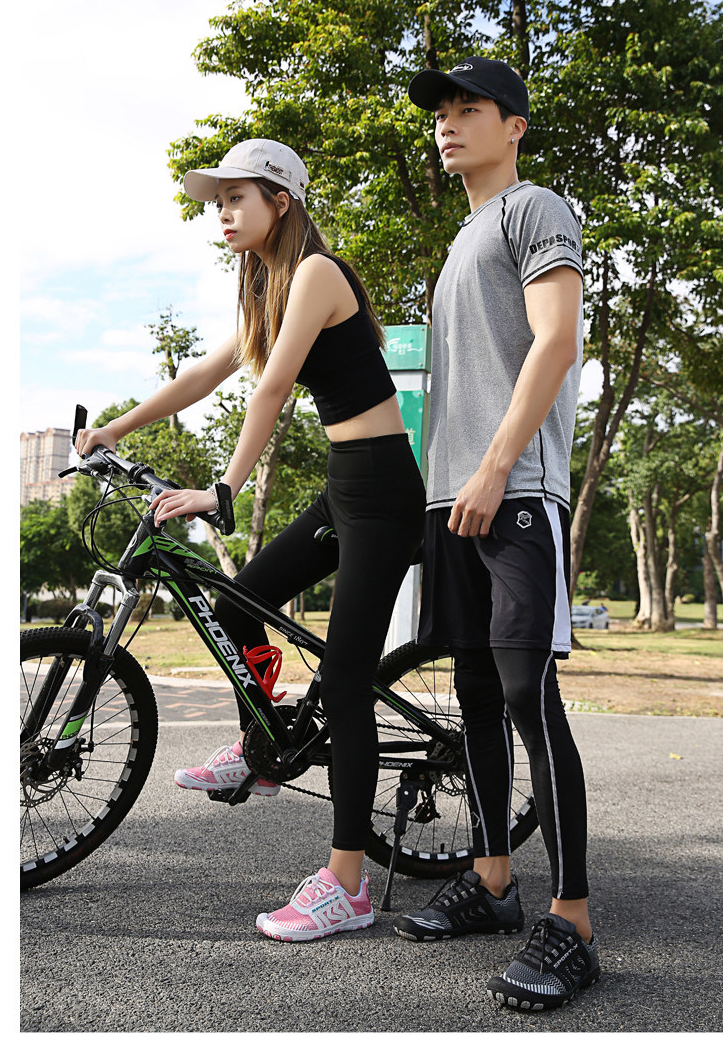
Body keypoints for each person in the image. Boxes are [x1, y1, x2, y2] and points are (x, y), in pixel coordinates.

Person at [75, 139, 425, 943]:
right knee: (240, 603)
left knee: (345, 685)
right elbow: (205, 374)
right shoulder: (269, 287)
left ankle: (347, 886)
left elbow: (270, 388)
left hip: (384, 493)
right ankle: (264, 746)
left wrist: (223, 489)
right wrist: (116, 427)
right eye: (218, 201)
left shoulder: (317, 273)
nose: (224, 214)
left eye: (238, 198)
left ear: (282, 201)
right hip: (345, 486)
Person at [392, 58, 601, 1010]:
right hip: (453, 499)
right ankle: (490, 880)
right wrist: (438, 489)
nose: (448, 123)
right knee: (474, 690)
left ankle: (573, 921)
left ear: (513, 125)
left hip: (513, 491)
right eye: (441, 111)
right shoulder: (457, 244)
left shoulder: (534, 209)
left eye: (468, 108)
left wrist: (493, 466)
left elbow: (557, 341)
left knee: (525, 691)